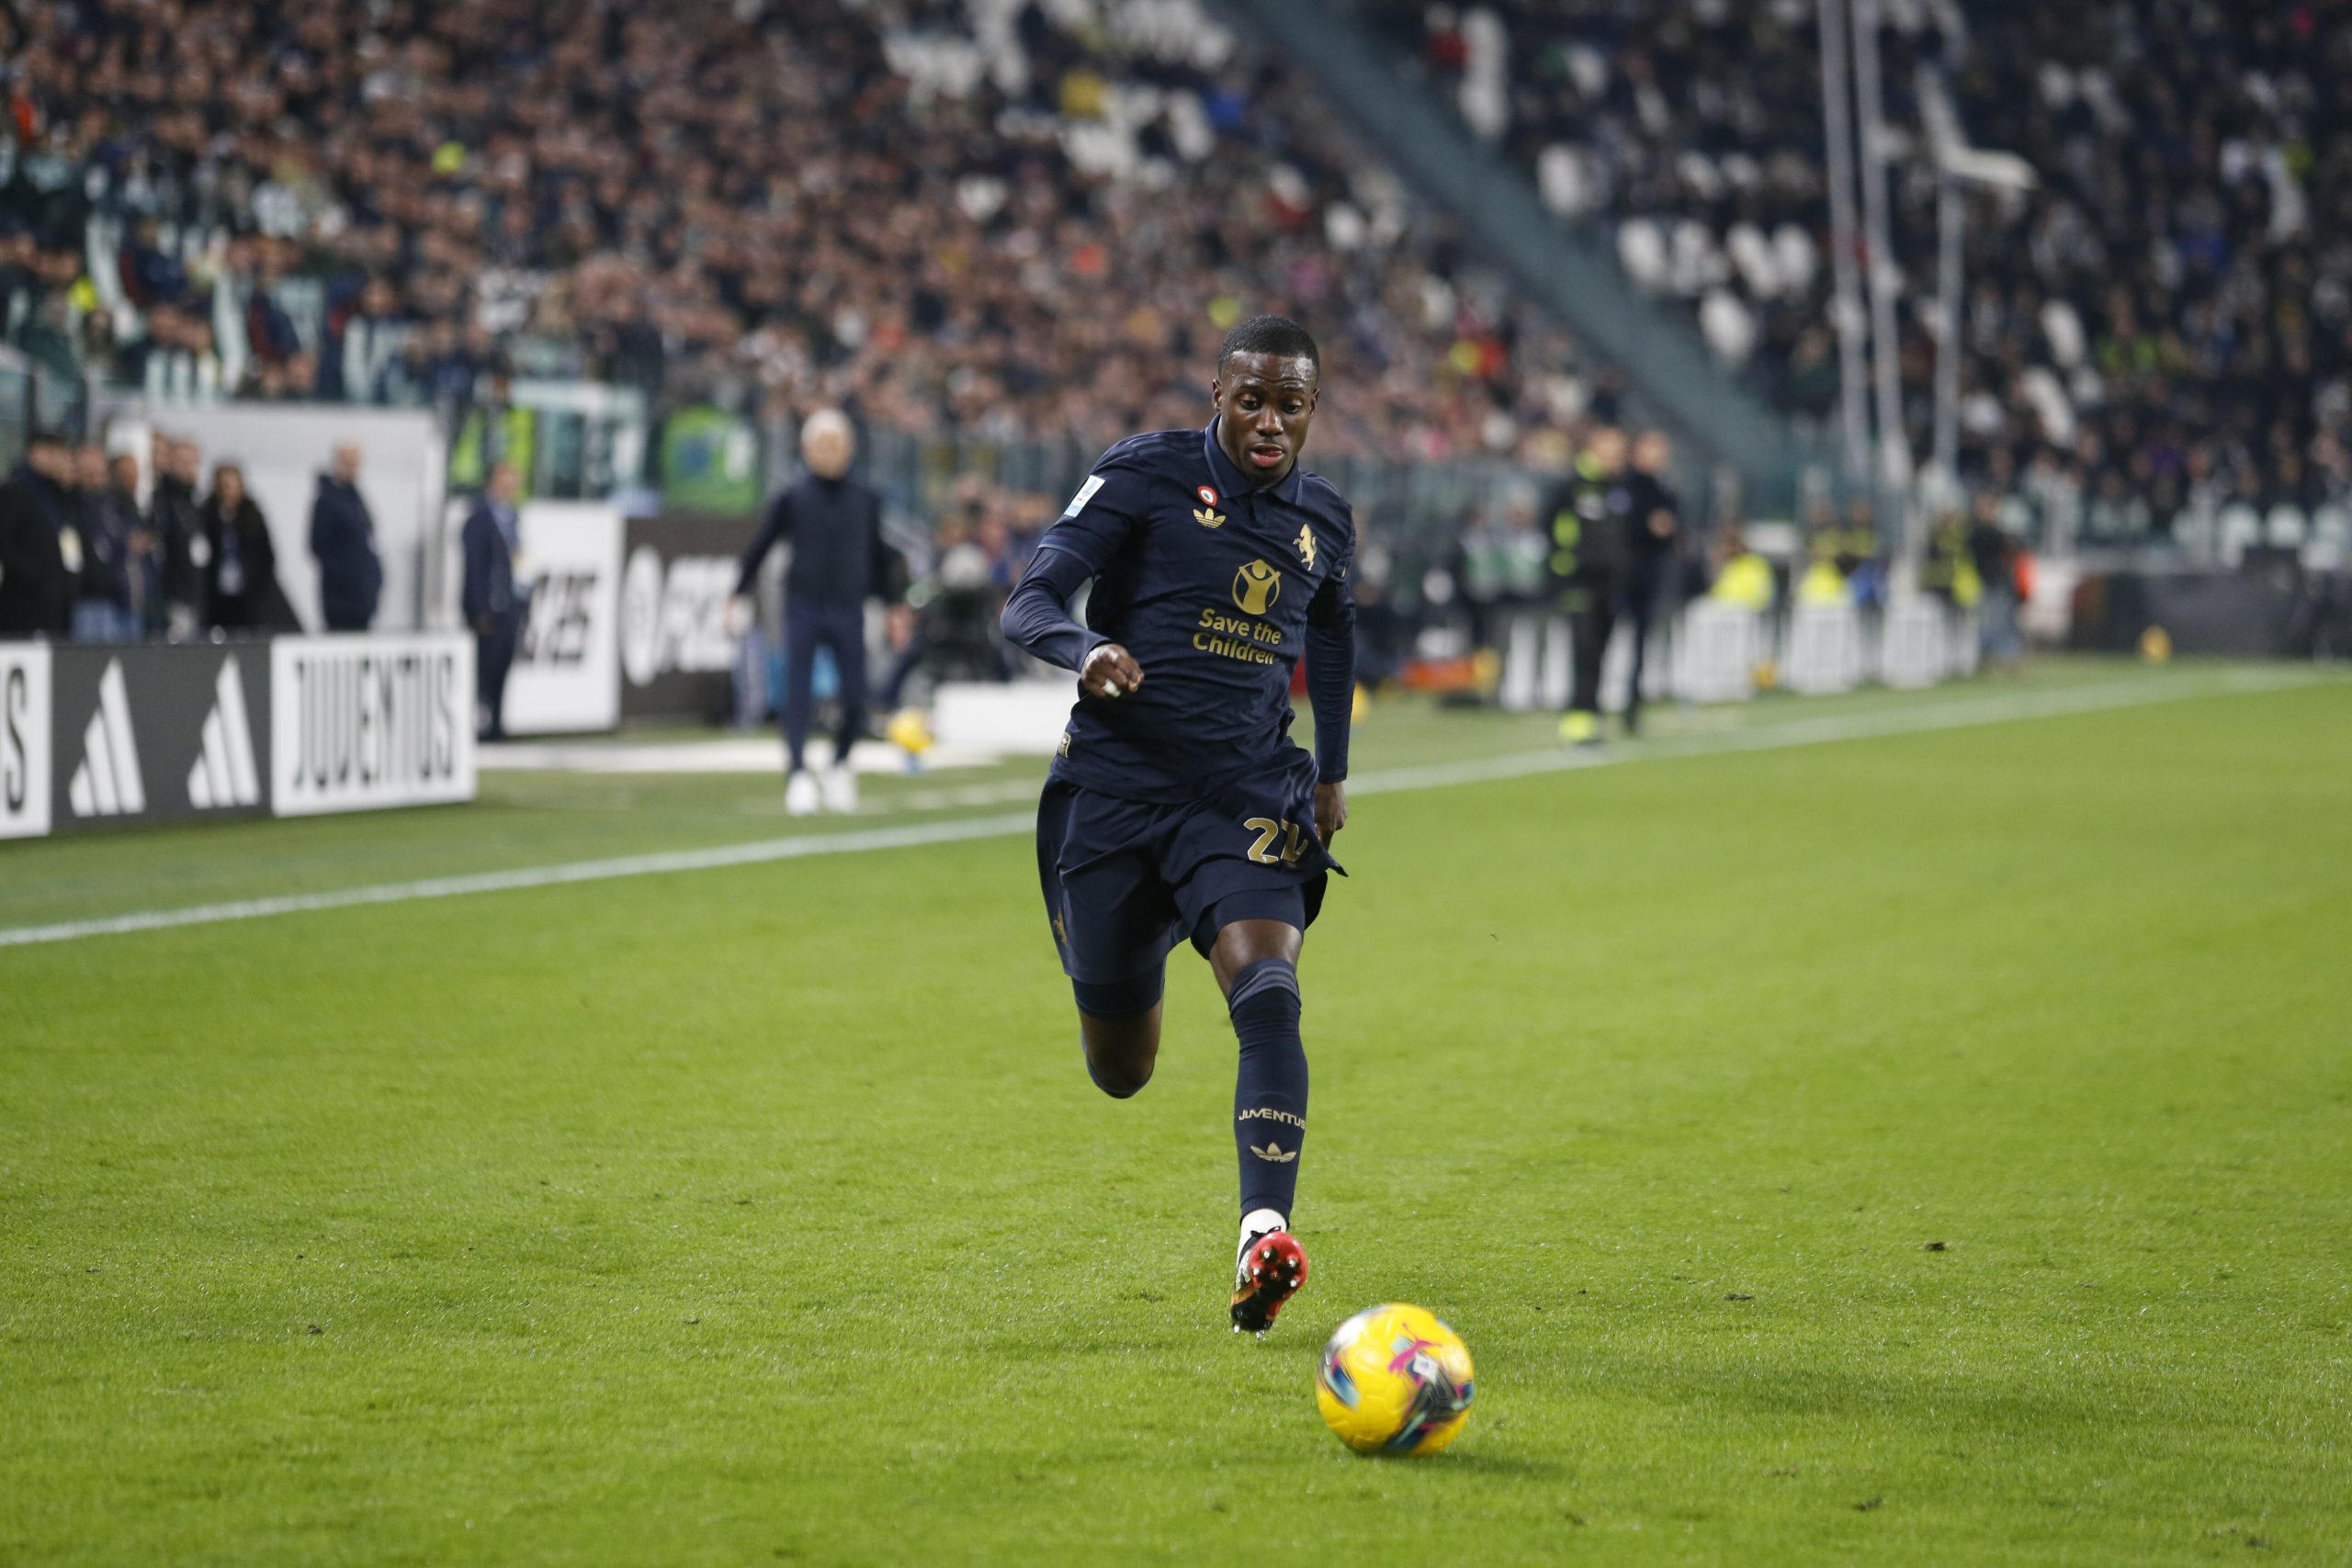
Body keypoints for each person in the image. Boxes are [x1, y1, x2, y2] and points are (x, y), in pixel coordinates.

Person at [998, 315, 1356, 1336]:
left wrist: (1331, 773)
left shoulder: (1324, 522)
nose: (1270, 422)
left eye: (1291, 404)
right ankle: (1146, 928)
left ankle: (1262, 1234)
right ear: (1218, 396)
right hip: (1115, 793)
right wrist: (1086, 651)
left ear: (1312, 410)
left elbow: (1333, 636)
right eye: (1252, 400)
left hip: (1245, 794)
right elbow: (1028, 601)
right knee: (1122, 1070)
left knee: (1268, 984)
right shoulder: (1143, 475)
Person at [729, 409, 896, 817]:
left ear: (850, 449)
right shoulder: (793, 497)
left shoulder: (865, 498)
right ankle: (798, 773)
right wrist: (737, 592)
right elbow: (761, 545)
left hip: (848, 608)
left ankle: (840, 763)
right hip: (803, 605)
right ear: (806, 449)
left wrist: (893, 605)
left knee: (856, 696)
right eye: (821, 445)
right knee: (797, 693)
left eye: (836, 444)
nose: (829, 453)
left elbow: (877, 555)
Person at [1542, 425, 1633, 745]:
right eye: (1612, 451)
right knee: (1584, 652)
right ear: (1594, 449)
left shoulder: (1618, 489)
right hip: (1579, 584)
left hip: (1610, 585)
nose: (1617, 458)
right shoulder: (1572, 487)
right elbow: (1551, 528)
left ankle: (1591, 718)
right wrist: (1564, 569)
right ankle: (1576, 722)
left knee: (1601, 654)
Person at [1619, 430, 1680, 733]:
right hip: (1620, 575)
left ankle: (1633, 704)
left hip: (1649, 576)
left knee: (1642, 644)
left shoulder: (1664, 488)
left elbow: (1672, 527)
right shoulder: (1624, 486)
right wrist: (1649, 526)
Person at [460, 460, 527, 740]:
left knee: (502, 666)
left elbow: (519, 563)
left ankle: (497, 724)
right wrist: (478, 608)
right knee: (483, 669)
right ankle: (479, 723)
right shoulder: (479, 519)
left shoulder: (512, 518)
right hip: (487, 609)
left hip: (509, 606)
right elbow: (474, 568)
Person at [0, 429, 76, 639]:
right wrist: (33, 575)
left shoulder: (58, 495)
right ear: (37, 453)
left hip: (56, 604)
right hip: (23, 605)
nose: (63, 460)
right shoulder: (15, 491)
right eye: (56, 453)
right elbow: (4, 543)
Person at [199, 462, 287, 634]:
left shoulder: (252, 515)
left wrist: (258, 586)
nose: (228, 491)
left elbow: (267, 556)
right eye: (224, 486)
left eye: (231, 486)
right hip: (217, 596)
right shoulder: (207, 514)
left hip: (248, 595)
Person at [310, 442, 384, 632]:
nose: (351, 467)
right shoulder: (327, 501)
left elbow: (368, 542)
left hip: (362, 597)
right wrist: (346, 578)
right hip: (340, 601)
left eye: (355, 462)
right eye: (347, 462)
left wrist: (373, 581)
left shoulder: (356, 498)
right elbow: (317, 546)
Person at [70, 443, 140, 643]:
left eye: (100, 474)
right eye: (89, 474)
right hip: (89, 600)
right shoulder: (72, 507)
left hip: (122, 598)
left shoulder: (114, 505)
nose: (96, 481)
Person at [147, 438, 206, 637]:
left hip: (193, 596)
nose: (190, 468)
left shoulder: (192, 502)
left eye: (194, 462)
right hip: (172, 598)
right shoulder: (162, 500)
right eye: (184, 462)